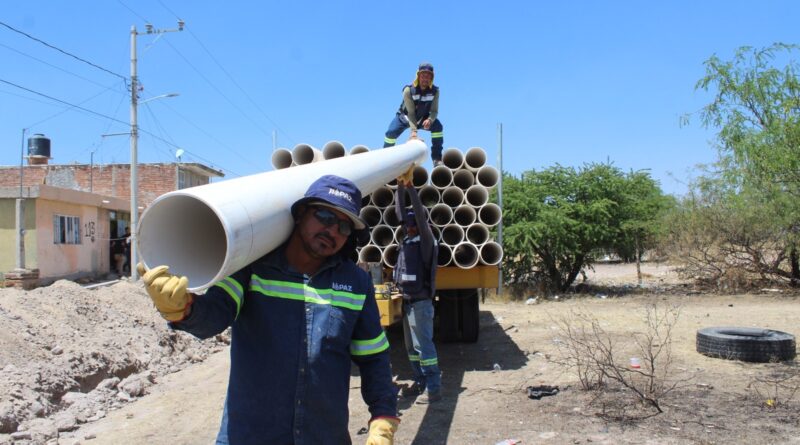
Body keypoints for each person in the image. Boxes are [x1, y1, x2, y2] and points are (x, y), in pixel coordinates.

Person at [137, 175, 400, 445]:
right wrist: (183, 309)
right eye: (324, 216)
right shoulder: (252, 267)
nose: (332, 230)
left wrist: (383, 415)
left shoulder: (356, 283)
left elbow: (373, 357)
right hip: (250, 436)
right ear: (300, 214)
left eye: (344, 227)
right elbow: (214, 316)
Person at [393, 170, 441, 404]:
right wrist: (400, 186)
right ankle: (420, 382)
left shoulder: (426, 241)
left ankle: (433, 388)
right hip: (408, 302)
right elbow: (400, 213)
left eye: (412, 224)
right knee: (411, 348)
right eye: (408, 225)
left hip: (421, 303)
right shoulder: (408, 240)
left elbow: (419, 216)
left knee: (424, 347)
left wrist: (411, 187)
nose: (408, 227)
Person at [383, 62, 444, 166]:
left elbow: (434, 111)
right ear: (418, 76)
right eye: (423, 75)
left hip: (422, 118)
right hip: (405, 117)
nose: (425, 78)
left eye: (428, 76)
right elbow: (411, 113)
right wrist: (413, 132)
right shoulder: (408, 91)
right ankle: (385, 159)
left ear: (432, 78)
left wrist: (430, 120)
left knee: (438, 127)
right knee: (391, 133)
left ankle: (436, 159)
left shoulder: (435, 91)